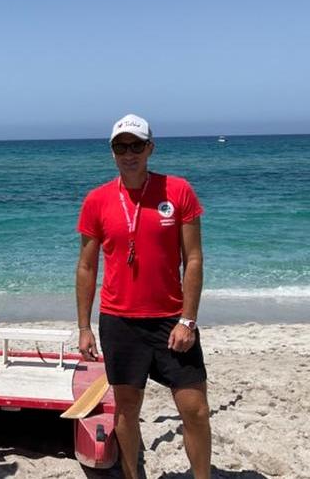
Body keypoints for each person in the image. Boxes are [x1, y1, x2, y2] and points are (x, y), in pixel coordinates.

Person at [75, 114, 210, 479]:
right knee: (126, 410)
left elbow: (193, 259)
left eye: (137, 145)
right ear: (112, 152)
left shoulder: (178, 191)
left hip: (171, 320)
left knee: (195, 409)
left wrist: (188, 319)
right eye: (121, 146)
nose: (129, 153)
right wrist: (84, 326)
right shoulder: (97, 200)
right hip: (120, 322)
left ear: (150, 148)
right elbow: (86, 267)